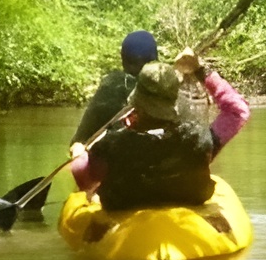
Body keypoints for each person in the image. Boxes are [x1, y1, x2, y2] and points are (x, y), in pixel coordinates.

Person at [69, 49, 249, 211]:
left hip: (129, 224)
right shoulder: (199, 139)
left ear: (137, 102)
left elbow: (84, 178)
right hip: (186, 214)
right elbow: (238, 112)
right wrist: (201, 71)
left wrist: (79, 154)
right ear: (173, 101)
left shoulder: (112, 146)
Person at [74, 30, 159, 144]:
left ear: (123, 59)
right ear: (154, 59)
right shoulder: (167, 86)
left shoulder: (111, 85)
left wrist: (78, 146)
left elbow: (79, 142)